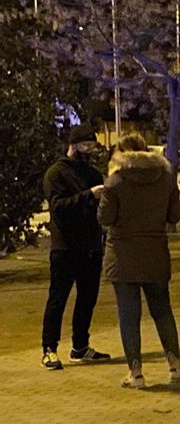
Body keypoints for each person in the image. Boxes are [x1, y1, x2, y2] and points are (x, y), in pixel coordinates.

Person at [99, 133, 180, 388]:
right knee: (162, 310)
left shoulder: (115, 182)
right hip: (155, 252)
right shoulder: (165, 178)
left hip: (122, 256)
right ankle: (175, 365)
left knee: (128, 314)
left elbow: (106, 219)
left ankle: (136, 373)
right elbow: (174, 215)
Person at [40, 125, 111, 370]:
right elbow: (59, 208)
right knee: (58, 298)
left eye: (92, 145)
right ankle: (49, 348)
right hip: (66, 247)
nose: (89, 150)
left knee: (87, 298)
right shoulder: (56, 173)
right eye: (85, 146)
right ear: (73, 145)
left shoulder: (92, 173)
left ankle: (80, 346)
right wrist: (89, 195)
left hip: (91, 245)